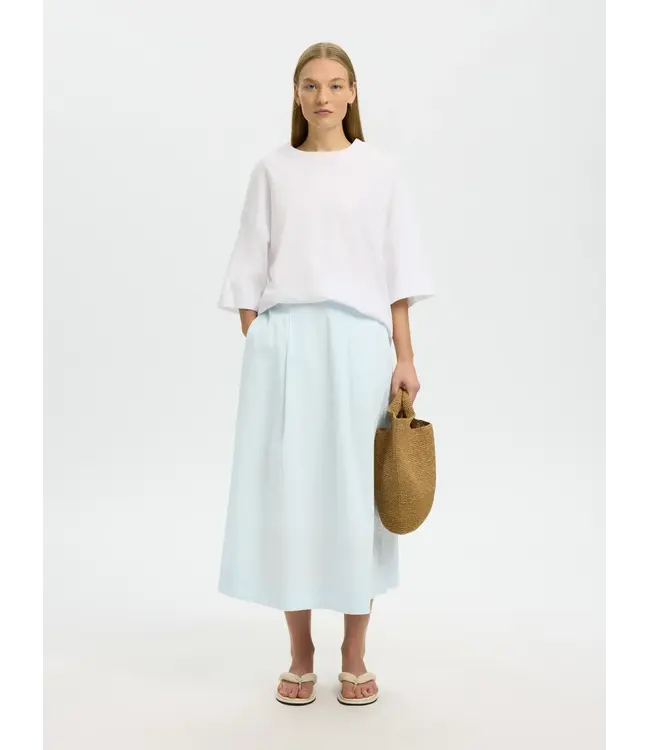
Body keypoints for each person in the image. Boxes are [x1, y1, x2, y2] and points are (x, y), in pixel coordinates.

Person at [216, 42, 435, 706]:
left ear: (353, 93)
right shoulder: (273, 171)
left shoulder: (381, 171)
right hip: (288, 344)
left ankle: (354, 652)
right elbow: (250, 264)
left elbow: (397, 276)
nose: (323, 96)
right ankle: (300, 652)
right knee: (294, 495)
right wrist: (263, 339)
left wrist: (405, 356)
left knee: (357, 497)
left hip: (360, 345)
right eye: (310, 85)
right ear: (296, 94)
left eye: (336, 84)